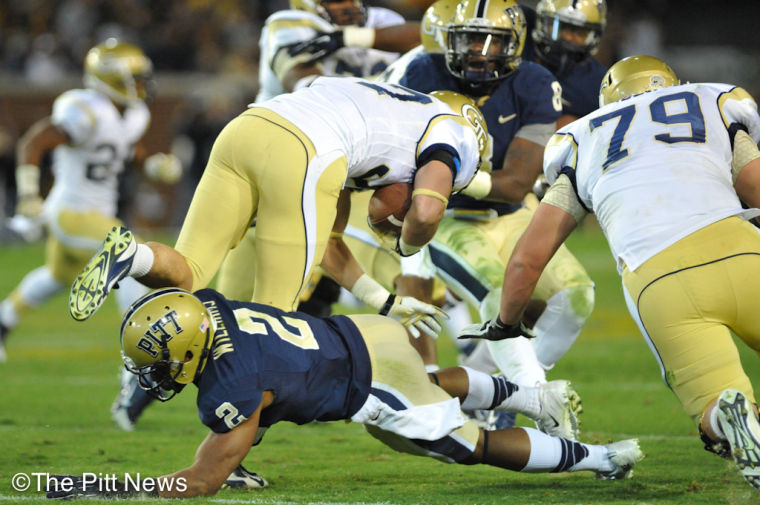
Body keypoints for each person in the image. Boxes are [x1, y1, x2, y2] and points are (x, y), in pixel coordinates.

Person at [460, 55, 760, 491]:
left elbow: (529, 255)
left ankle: (733, 415)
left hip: (658, 276)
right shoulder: (709, 101)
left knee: (714, 403)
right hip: (740, 249)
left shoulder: (581, 138)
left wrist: (507, 322)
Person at [46, 287, 643, 499]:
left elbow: (201, 480)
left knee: (466, 445)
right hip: (361, 331)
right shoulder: (208, 308)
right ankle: (539, 398)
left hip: (369, 378)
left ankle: (602, 458)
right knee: (425, 390)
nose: (151, 376)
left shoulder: (231, 386)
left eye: (154, 364)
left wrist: (107, 484)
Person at [397, 0, 594, 426]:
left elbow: (516, 182)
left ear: (516, 45)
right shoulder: (423, 73)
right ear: (449, 38)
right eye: (468, 38)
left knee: (577, 296)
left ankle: (499, 395)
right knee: (495, 295)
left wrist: (445, 173)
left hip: (512, 212)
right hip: (447, 220)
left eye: (492, 40)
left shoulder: (536, 82)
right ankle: (539, 403)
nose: (478, 50)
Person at [0, 38, 182, 363]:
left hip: (93, 214)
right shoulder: (86, 110)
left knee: (57, 278)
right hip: (72, 212)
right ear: (111, 80)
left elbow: (124, 148)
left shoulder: (132, 114)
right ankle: (139, 357)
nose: (142, 85)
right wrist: (28, 194)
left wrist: (151, 163)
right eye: (134, 79)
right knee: (132, 256)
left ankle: (2, 321)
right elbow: (34, 142)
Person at [522, 0, 608, 128]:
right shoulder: (520, 29)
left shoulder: (599, 83)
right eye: (559, 26)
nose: (567, 37)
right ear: (541, 21)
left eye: (579, 32)